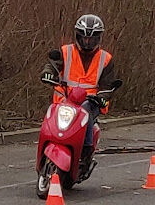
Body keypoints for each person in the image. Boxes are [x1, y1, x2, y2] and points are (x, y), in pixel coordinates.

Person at [41, 14, 116, 173]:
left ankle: (86, 152)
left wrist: (103, 97)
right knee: (51, 117)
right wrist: (48, 74)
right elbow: (52, 65)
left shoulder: (106, 59)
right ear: (77, 36)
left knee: (86, 113)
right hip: (65, 98)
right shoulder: (65, 51)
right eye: (84, 38)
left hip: (92, 101)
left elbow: (108, 85)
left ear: (98, 39)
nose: (87, 42)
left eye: (92, 39)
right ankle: (47, 145)